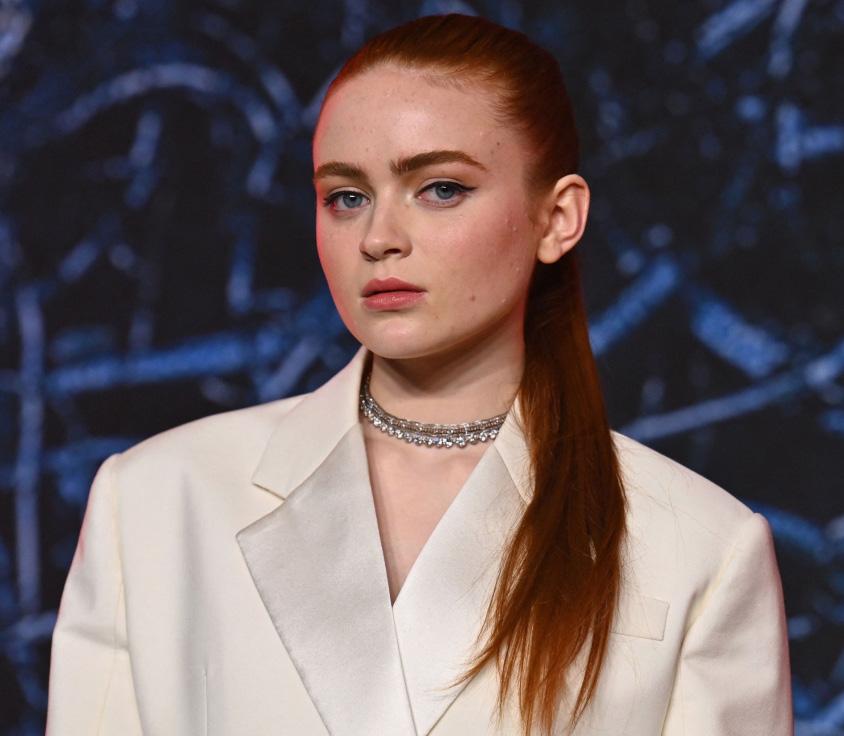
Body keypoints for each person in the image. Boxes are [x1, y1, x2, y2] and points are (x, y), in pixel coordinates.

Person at [46, 13, 793, 736]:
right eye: (346, 197)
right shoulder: (155, 499)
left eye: (441, 189)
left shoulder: (699, 547)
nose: (379, 237)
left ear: (558, 217)